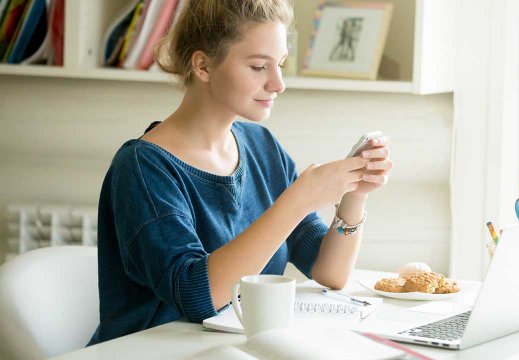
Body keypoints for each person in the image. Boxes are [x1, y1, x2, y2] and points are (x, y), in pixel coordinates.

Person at [88, 0, 392, 345]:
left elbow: (329, 272)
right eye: (259, 66)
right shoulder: (143, 168)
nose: (278, 84)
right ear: (203, 65)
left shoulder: (261, 147)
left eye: (280, 65)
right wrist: (299, 200)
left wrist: (355, 193)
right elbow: (196, 296)